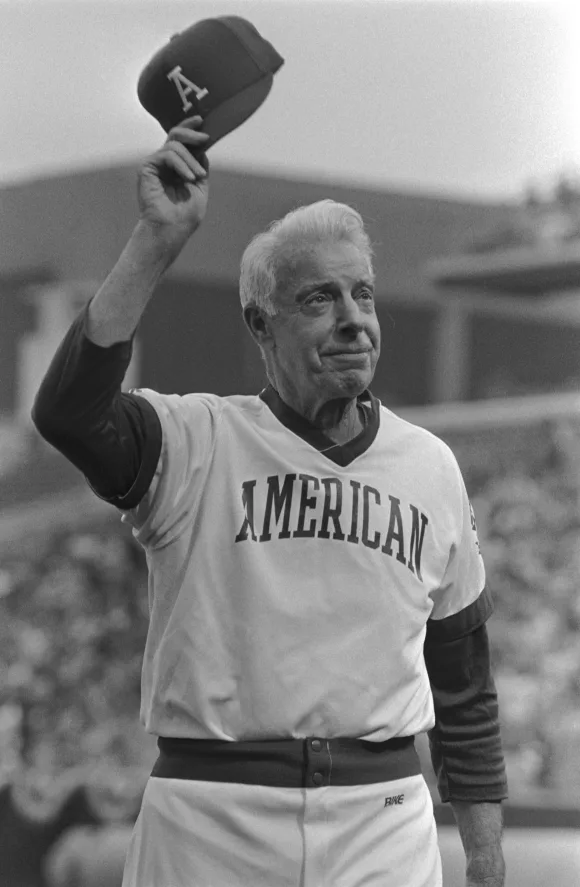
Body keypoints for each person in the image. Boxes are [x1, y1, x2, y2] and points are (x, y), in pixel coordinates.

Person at [32, 116, 508, 887]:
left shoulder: (430, 465)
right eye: (320, 299)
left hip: (379, 817)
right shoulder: (195, 441)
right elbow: (69, 413)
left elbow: (464, 684)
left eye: (364, 294)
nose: (354, 319)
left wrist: (486, 858)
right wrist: (156, 241)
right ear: (261, 321)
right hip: (209, 819)